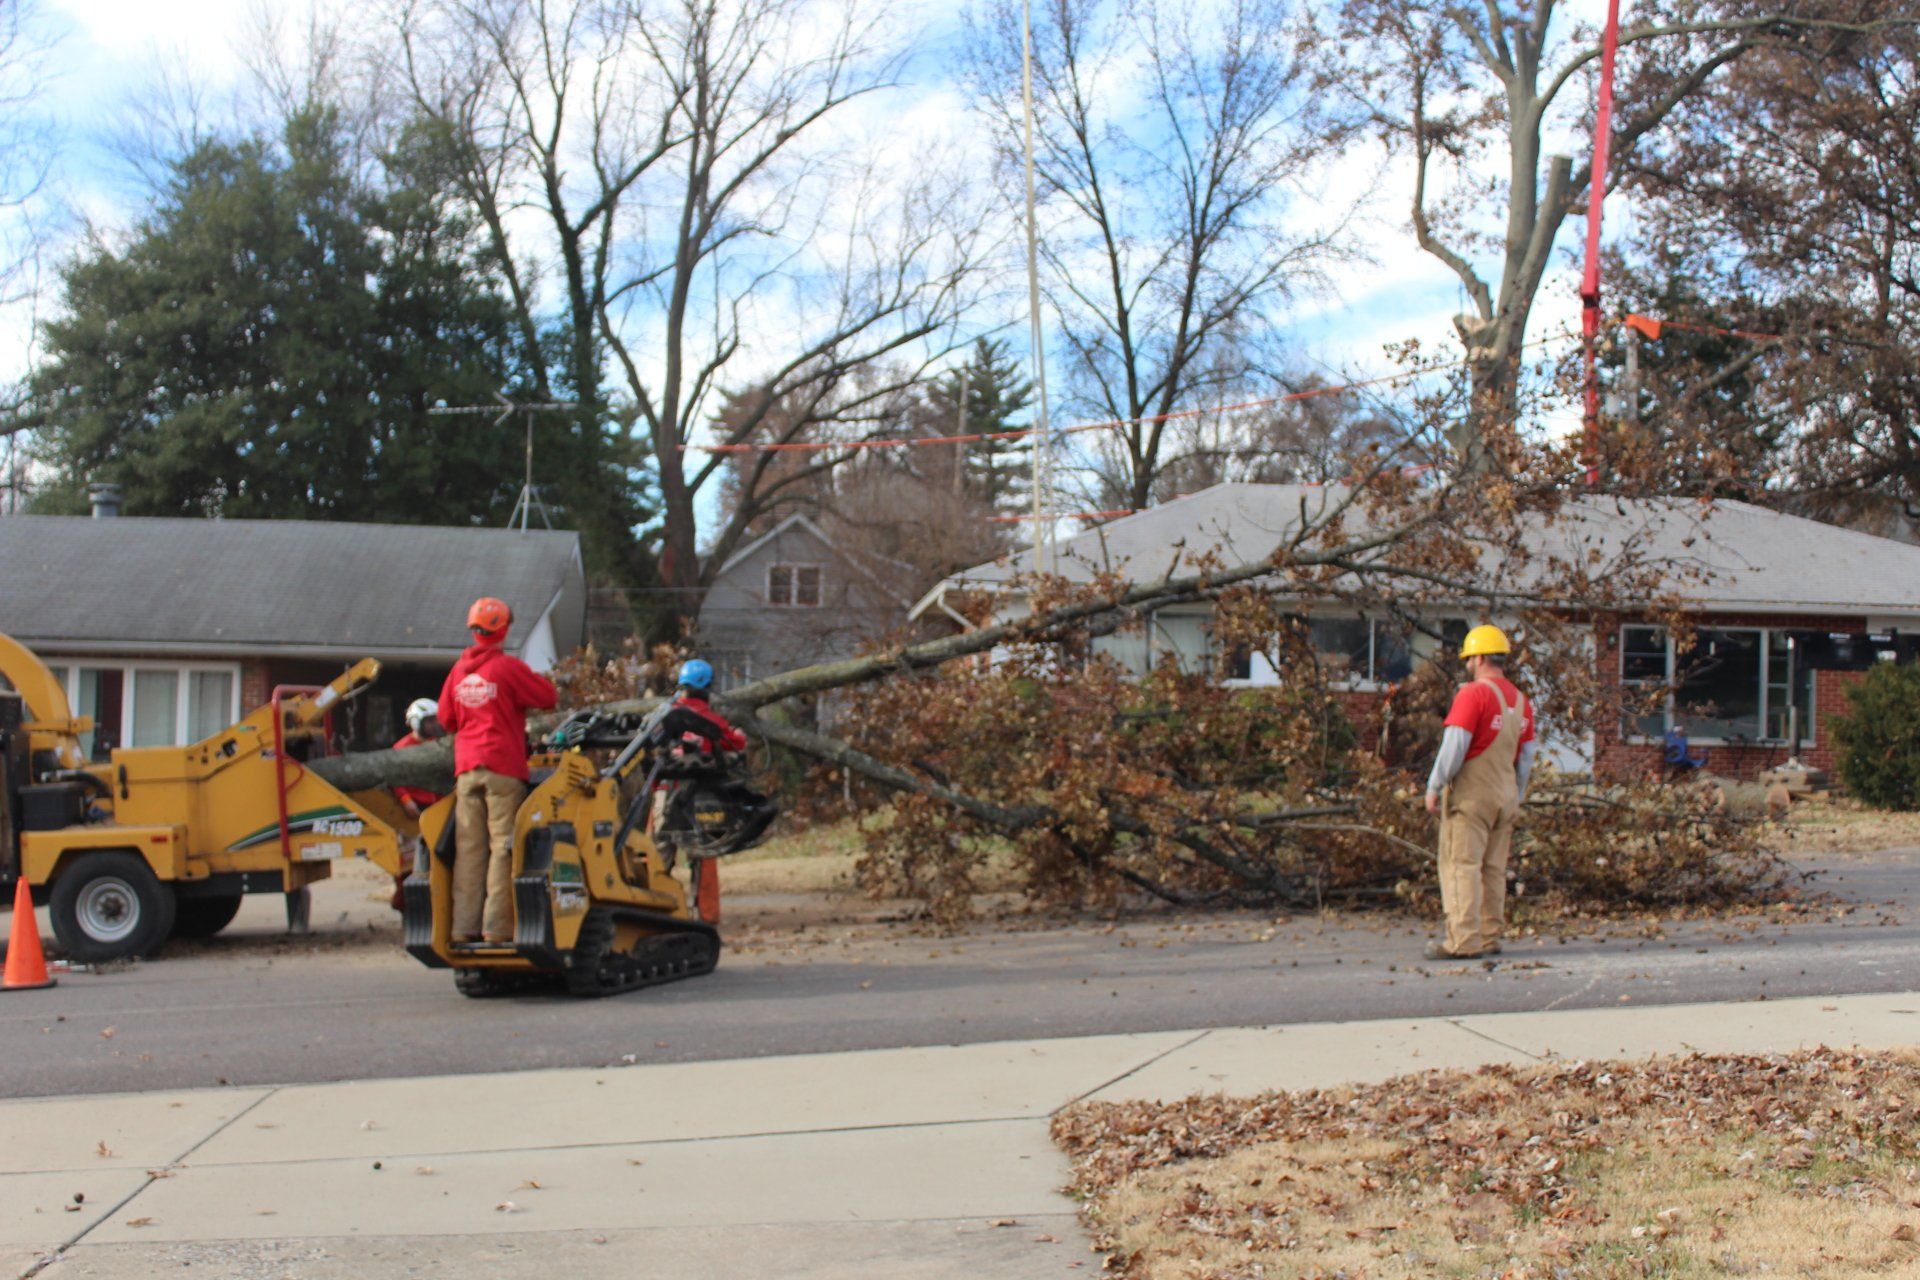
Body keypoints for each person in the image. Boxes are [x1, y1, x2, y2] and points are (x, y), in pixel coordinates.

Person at [436, 597, 557, 944]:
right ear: (502, 629)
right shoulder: (506, 668)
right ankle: (497, 927)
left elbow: (446, 719)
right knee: (503, 848)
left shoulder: (458, 671)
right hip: (502, 769)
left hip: (466, 772)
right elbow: (547, 696)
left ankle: (462, 928)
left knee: (470, 851)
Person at [1422, 624, 1538, 961]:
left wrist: (1435, 785)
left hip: (1473, 797)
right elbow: (1527, 757)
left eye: (1470, 658)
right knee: (1493, 869)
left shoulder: (1473, 694)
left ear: (1481, 657)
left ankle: (1462, 940)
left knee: (1462, 865)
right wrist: (1516, 794)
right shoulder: (1521, 701)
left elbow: (1454, 746)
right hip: (1505, 795)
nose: (1468, 664)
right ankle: (1489, 936)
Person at [386, 698, 447, 909]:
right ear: (415, 722)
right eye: (428, 721)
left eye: (434, 721)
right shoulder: (402, 748)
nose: (432, 725)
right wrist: (406, 800)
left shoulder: (437, 747)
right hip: (411, 811)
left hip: (434, 808)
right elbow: (395, 778)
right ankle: (404, 904)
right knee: (409, 863)